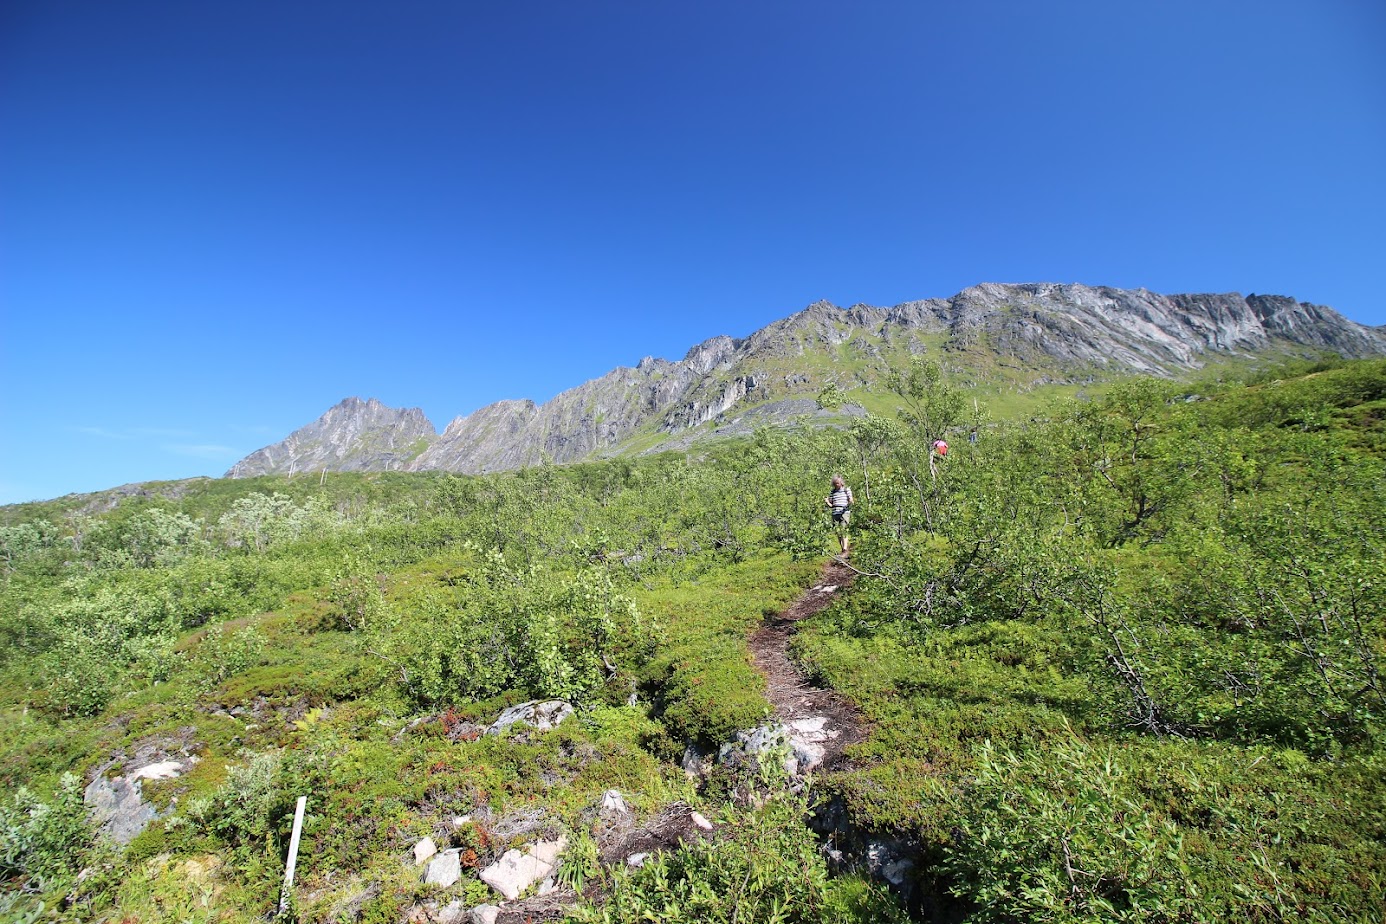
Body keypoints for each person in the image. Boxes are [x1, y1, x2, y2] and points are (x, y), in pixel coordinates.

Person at [824, 474, 854, 556]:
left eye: (838, 483)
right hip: (835, 512)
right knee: (838, 531)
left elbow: (851, 500)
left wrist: (850, 502)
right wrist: (827, 502)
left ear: (841, 482)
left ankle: (845, 548)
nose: (836, 484)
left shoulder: (846, 490)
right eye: (835, 483)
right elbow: (831, 505)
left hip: (844, 512)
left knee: (843, 529)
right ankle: (842, 549)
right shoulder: (832, 492)